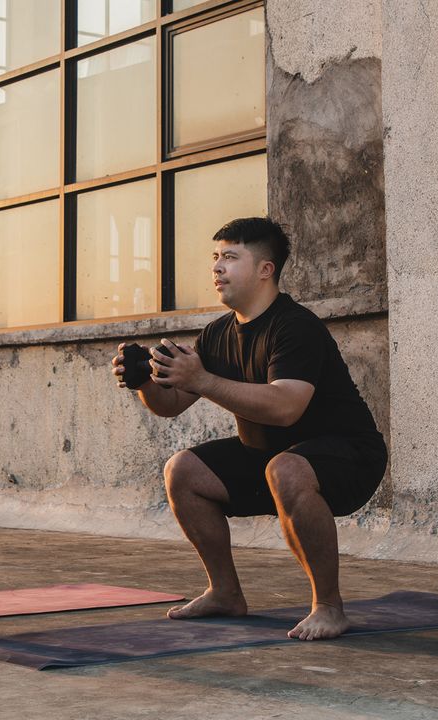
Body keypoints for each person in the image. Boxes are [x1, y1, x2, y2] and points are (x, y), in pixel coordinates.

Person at [111, 217, 386, 641]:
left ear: (265, 269)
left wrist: (201, 379)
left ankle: (329, 606)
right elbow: (172, 405)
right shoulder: (217, 334)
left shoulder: (295, 327)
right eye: (216, 257)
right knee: (182, 470)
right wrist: (143, 382)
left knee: (285, 468)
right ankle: (224, 592)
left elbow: (286, 408)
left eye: (231, 257)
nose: (217, 268)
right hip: (270, 459)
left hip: (349, 457)